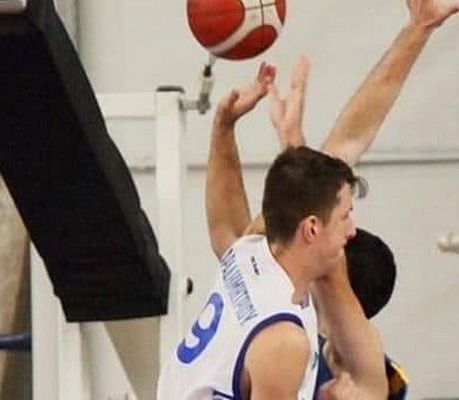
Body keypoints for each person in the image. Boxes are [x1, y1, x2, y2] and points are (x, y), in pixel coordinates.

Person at [219, 0, 459, 398]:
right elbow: (346, 146)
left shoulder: (291, 342)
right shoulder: (367, 370)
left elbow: (346, 146)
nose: (345, 224)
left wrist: (232, 130)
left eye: (344, 221)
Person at [157, 61, 366, 399]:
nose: (352, 230)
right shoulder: (284, 338)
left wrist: (224, 126)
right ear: (312, 228)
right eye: (345, 216)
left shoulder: (250, 252)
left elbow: (225, 221)